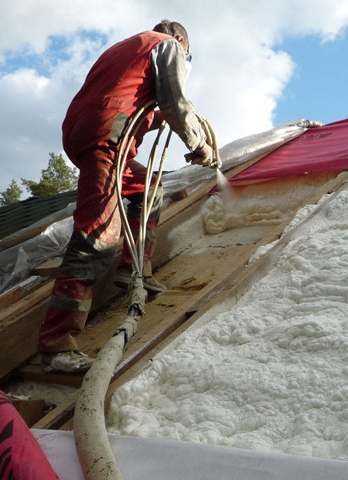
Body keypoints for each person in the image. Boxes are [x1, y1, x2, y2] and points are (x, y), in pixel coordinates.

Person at [37, 20, 216, 373]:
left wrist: (157, 117)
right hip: (107, 137)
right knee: (98, 237)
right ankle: (56, 344)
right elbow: (176, 99)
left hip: (86, 131)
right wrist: (199, 144)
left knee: (149, 189)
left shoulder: (128, 49)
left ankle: (134, 270)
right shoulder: (166, 46)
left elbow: (126, 98)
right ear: (181, 40)